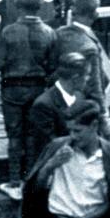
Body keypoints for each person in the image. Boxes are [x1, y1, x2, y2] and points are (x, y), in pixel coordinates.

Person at [0, 0, 58, 200]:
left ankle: (14, 181)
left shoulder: (8, 32)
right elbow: (52, 67)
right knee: (31, 134)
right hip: (37, 89)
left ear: (15, 5)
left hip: (12, 89)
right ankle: (30, 178)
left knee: (14, 134)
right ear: (41, 6)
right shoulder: (50, 33)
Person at [23, 52, 88, 187]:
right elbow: (49, 146)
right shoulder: (43, 104)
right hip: (56, 171)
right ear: (75, 78)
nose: (88, 79)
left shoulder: (80, 96)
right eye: (86, 75)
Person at [54, 0, 107, 107]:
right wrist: (102, 111)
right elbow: (95, 85)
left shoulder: (58, 34)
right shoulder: (90, 47)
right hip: (82, 105)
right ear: (95, 14)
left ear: (73, 9)